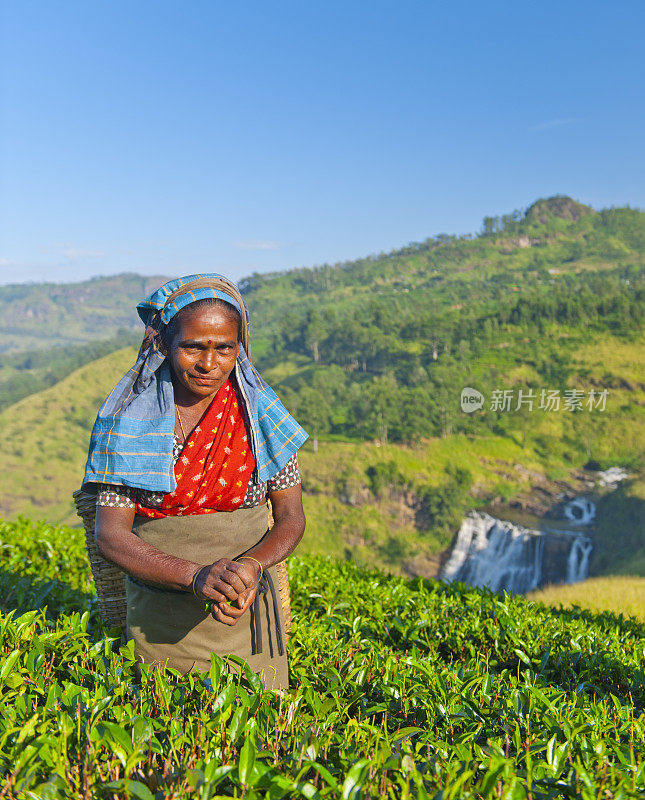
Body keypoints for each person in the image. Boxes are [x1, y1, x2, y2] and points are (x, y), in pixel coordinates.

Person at [83, 274, 308, 690]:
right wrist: (195, 576)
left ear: (239, 347)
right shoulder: (129, 423)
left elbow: (291, 517)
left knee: (263, 726)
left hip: (250, 614)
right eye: (193, 347)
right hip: (163, 621)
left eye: (224, 347)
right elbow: (110, 535)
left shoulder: (261, 416)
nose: (209, 363)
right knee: (169, 724)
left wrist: (251, 566)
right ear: (165, 344)